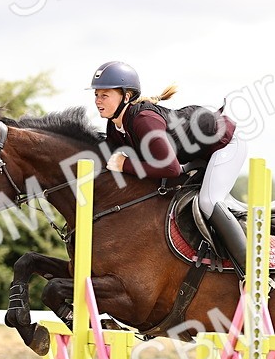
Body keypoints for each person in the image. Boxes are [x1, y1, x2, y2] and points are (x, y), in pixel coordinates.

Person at [90, 60, 252, 279]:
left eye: (104, 95)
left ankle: (250, 271)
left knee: (209, 201)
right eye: (96, 95)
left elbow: (170, 168)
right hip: (195, 156)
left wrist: (124, 165)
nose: (98, 101)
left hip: (224, 145)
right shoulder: (115, 127)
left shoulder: (143, 119)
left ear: (126, 97)